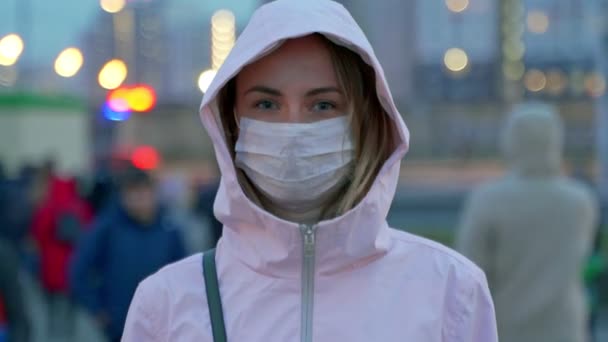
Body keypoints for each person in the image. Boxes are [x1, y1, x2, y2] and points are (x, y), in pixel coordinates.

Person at [122, 1, 498, 341]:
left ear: (365, 121)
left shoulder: (449, 292)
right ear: (231, 121)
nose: (293, 131)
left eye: (322, 105)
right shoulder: (167, 305)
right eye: (266, 103)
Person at [456, 102, 599, 342]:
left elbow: (469, 272)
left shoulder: (488, 199)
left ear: (511, 141)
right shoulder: (580, 201)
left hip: (504, 328)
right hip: (565, 328)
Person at [70, 166, 186, 342]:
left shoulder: (169, 229)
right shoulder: (107, 228)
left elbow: (184, 274)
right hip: (119, 326)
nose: (140, 198)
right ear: (123, 196)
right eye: (133, 192)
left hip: (162, 325)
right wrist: (98, 310)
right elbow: (79, 271)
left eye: (144, 192)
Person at [30, 175, 92, 340]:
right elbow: (89, 235)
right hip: (74, 269)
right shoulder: (81, 207)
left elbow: (38, 234)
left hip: (51, 273)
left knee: (53, 312)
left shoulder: (48, 208)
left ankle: (55, 337)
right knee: (71, 313)